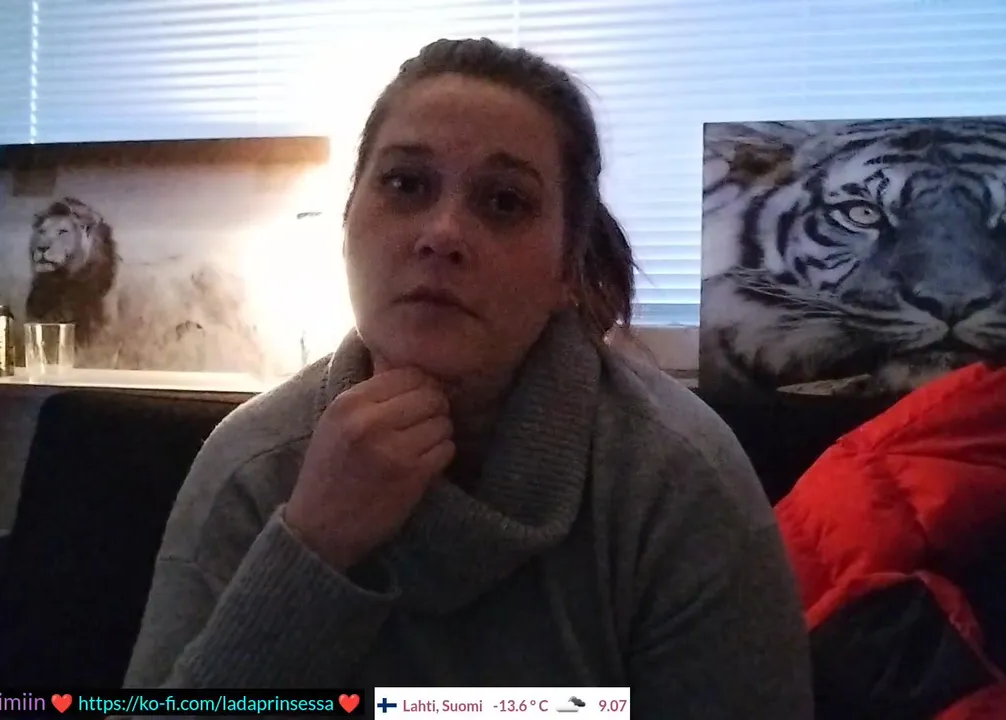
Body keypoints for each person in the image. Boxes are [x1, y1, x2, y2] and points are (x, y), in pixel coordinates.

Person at [122, 37, 813, 718]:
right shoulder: (250, 466)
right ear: (347, 220)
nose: (443, 233)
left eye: (505, 202)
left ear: (568, 269)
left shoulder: (678, 481)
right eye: (405, 184)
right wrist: (313, 550)